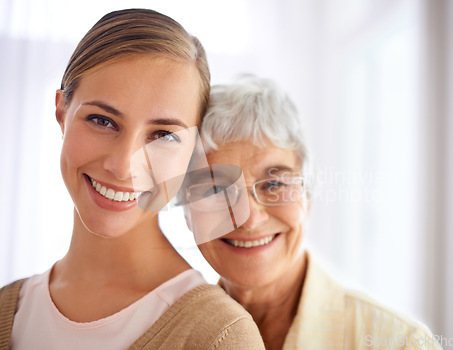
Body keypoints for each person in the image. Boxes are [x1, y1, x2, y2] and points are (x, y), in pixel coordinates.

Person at [0, 9, 264, 349]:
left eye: (163, 136)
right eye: (102, 120)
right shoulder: (8, 308)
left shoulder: (220, 337)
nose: (124, 166)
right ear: (61, 112)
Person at [185, 76, 441, 349]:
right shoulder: (170, 338)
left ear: (308, 194)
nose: (250, 219)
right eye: (215, 189)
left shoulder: (400, 343)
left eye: (274, 184)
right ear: (187, 212)